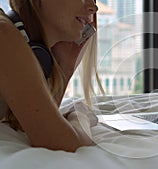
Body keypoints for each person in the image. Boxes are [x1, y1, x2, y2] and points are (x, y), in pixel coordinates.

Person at [0, 0, 104, 152]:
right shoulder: (4, 35)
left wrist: (65, 69)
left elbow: (29, 122)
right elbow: (62, 142)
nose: (93, 8)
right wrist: (80, 116)